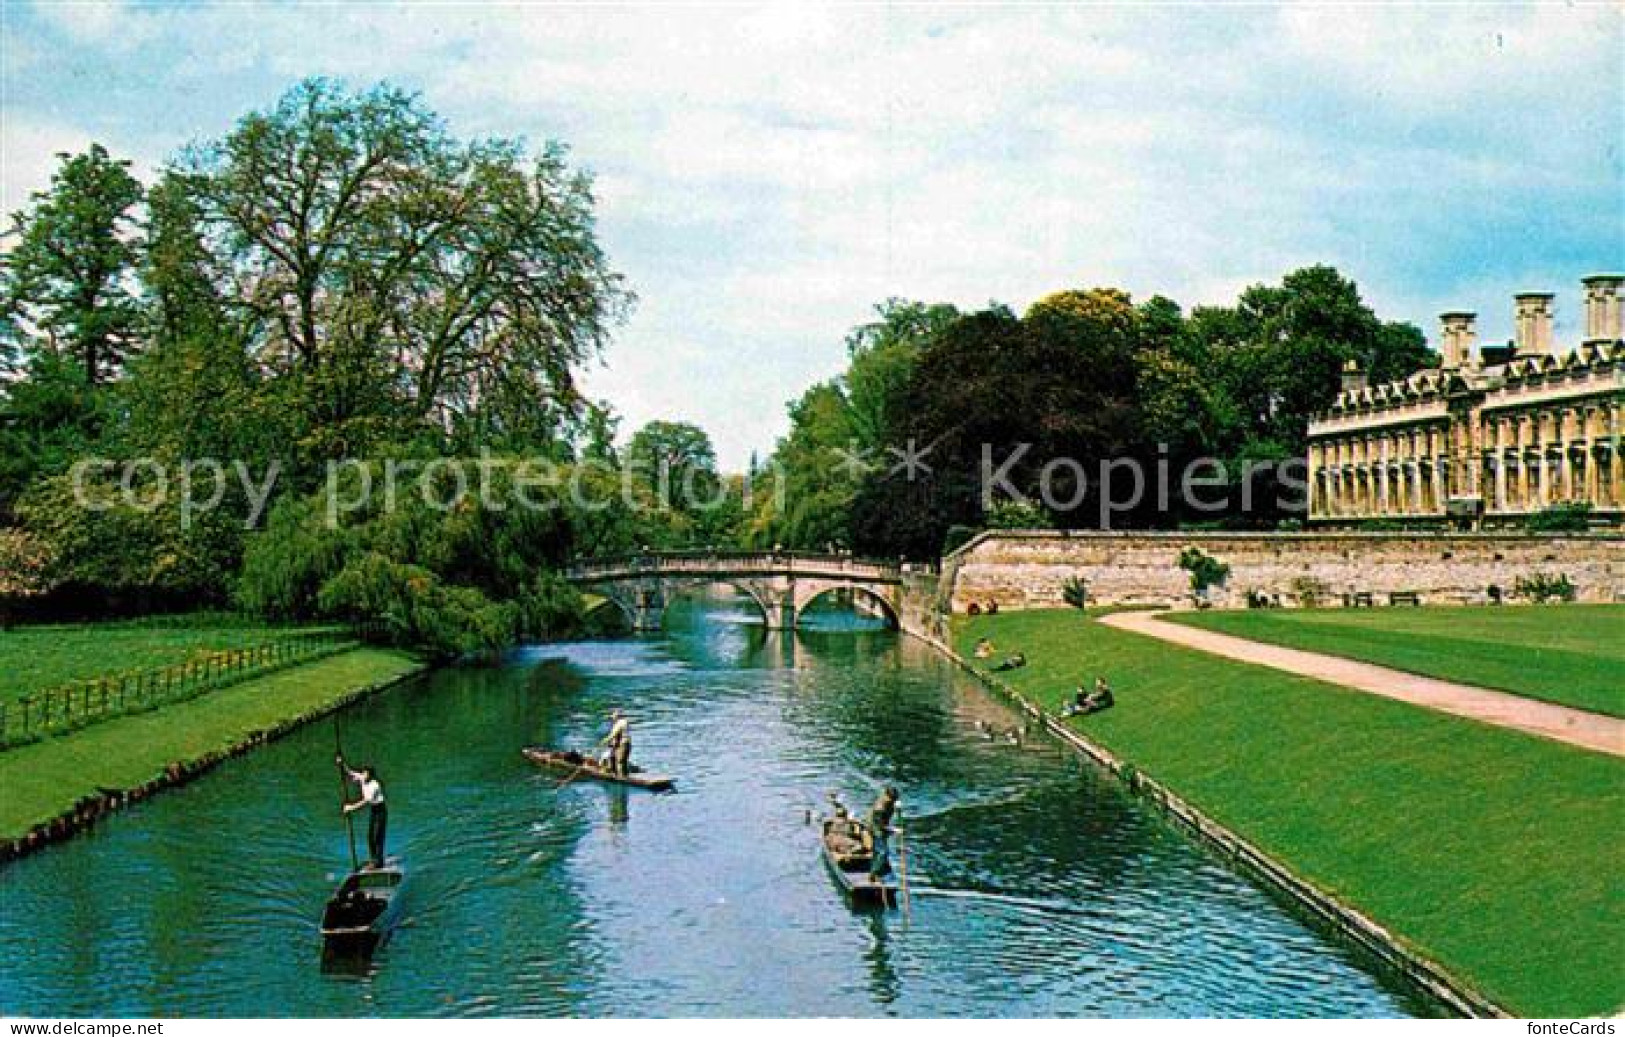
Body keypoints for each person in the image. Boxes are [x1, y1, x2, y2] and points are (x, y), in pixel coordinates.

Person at [338, 756, 387, 869]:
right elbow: (349, 772)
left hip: (381, 811)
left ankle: (378, 862)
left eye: (366, 774)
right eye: (363, 773)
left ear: (370, 775)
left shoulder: (375, 785)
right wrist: (341, 763)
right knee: (370, 836)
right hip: (374, 811)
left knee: (377, 837)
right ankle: (374, 860)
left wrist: (351, 807)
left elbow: (365, 801)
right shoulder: (362, 778)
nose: (363, 775)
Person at [865, 786, 900, 882]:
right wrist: (894, 830)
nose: (893, 801)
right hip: (876, 830)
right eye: (892, 799)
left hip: (881, 830)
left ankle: (876, 871)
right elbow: (880, 825)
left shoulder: (890, 803)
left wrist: (897, 810)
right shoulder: (879, 808)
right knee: (882, 852)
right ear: (887, 796)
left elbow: (887, 819)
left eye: (894, 800)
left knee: (877, 852)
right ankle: (873, 874)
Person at [600, 708, 631, 777]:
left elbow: (613, 735)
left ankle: (622, 778)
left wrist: (604, 741)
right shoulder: (625, 722)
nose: (612, 718)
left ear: (617, 716)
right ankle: (622, 775)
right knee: (620, 761)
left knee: (620, 762)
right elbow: (618, 735)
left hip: (623, 745)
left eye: (613, 716)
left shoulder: (620, 723)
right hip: (626, 744)